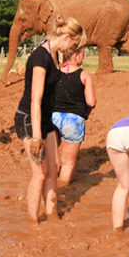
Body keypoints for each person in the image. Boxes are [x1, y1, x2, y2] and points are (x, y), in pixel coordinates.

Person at [13, 16, 84, 222]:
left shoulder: (55, 56)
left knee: (54, 169)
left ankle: (53, 217)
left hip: (46, 120)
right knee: (40, 174)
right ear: (67, 36)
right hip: (30, 119)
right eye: (75, 44)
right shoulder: (40, 58)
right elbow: (35, 99)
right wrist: (36, 137)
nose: (74, 48)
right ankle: (33, 221)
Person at [51, 42, 96, 187]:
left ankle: (50, 189)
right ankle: (65, 191)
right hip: (74, 119)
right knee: (68, 164)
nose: (83, 58)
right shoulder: (84, 74)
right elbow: (91, 101)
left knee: (52, 158)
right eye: (82, 55)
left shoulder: (55, 71)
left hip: (53, 117)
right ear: (75, 56)